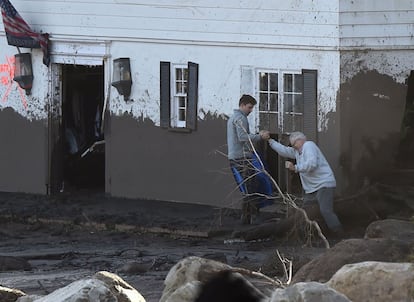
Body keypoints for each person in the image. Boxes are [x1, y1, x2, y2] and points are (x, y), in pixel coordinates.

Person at [267, 131, 343, 234]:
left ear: (300, 140)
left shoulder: (309, 145)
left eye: (294, 144)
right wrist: (270, 141)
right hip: (311, 188)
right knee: (306, 211)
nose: (293, 147)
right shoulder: (297, 151)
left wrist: (295, 168)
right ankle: (309, 233)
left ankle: (338, 232)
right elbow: (283, 150)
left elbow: (312, 164)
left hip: (323, 184)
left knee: (326, 210)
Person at [227, 94, 269, 224]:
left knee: (247, 188)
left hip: (235, 157)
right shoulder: (241, 118)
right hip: (242, 157)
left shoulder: (233, 118)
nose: (251, 110)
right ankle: (255, 216)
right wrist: (260, 137)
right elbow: (243, 137)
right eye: (249, 107)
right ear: (242, 105)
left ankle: (245, 218)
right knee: (252, 187)